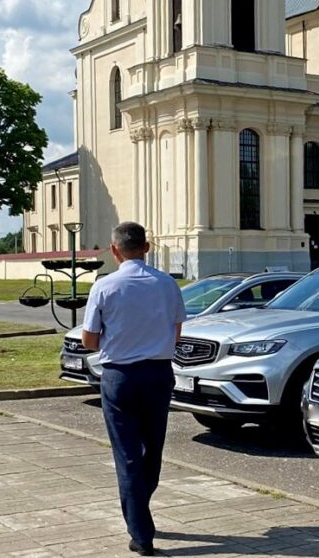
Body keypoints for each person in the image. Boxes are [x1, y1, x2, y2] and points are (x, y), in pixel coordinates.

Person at [82, 222, 186, 556]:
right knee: (152, 448)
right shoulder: (168, 284)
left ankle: (141, 532)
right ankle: (141, 508)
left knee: (127, 455)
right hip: (158, 372)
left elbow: (89, 339)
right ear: (147, 247)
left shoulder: (104, 286)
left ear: (114, 250)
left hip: (119, 376)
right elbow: (177, 331)